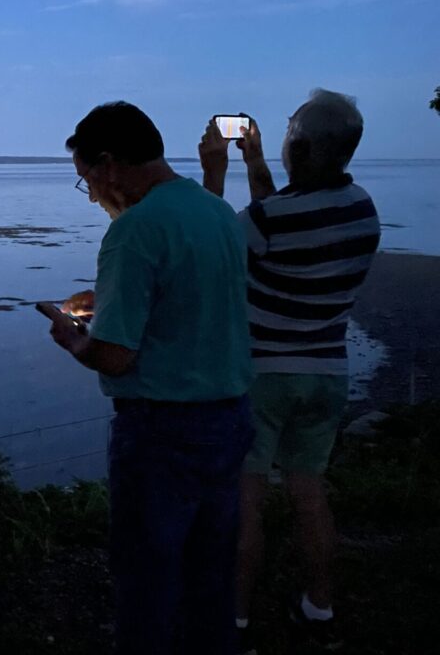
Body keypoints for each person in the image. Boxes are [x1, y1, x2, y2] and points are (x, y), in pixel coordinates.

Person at [44, 101, 254, 654]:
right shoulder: (215, 212)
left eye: (87, 178)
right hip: (230, 419)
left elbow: (115, 356)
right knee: (210, 580)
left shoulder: (135, 230)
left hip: (162, 433)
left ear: (109, 163)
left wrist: (74, 337)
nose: (91, 194)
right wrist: (111, 302)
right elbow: (192, 300)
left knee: (147, 585)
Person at [199, 90, 380, 654]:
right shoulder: (362, 210)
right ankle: (319, 607)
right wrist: (256, 167)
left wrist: (216, 173)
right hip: (326, 371)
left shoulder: (267, 218)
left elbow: (213, 251)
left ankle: (237, 622)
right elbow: (287, 224)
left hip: (263, 376)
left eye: (287, 131)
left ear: (298, 147)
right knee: (308, 491)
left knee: (245, 498)